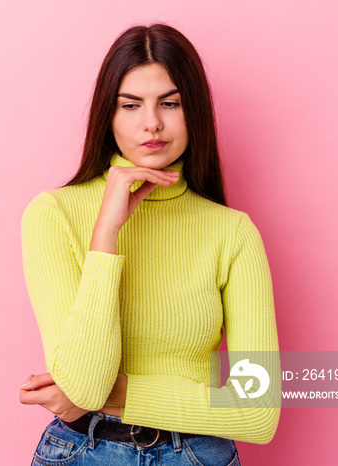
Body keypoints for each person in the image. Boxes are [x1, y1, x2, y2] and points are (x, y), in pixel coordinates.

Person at [19, 23, 280, 466]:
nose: (152, 122)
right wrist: (106, 235)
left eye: (170, 103)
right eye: (131, 105)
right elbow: (83, 386)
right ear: (109, 115)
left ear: (193, 110)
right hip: (83, 453)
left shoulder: (232, 232)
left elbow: (259, 412)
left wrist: (124, 393)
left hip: (198, 455)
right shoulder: (53, 214)